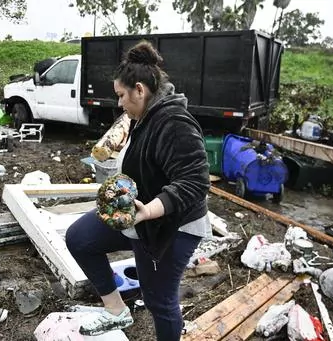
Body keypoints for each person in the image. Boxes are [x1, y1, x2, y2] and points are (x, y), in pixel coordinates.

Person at [65, 41, 212, 341]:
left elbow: (196, 181)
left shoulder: (174, 122)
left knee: (160, 300)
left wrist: (151, 210)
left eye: (121, 95)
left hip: (172, 224)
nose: (118, 103)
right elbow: (145, 164)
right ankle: (116, 310)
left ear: (140, 90)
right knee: (79, 238)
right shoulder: (142, 116)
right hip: (138, 214)